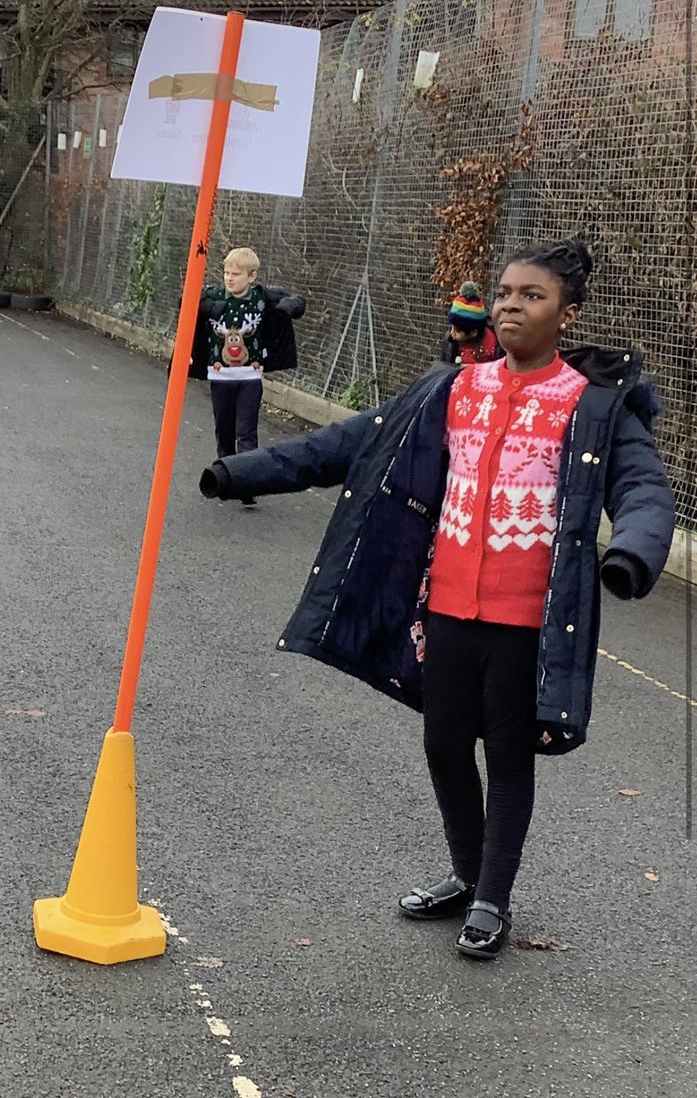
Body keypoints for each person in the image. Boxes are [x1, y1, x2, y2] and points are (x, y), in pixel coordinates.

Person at [199, 239, 674, 960]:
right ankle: (463, 872)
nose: (513, 305)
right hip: (448, 607)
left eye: (533, 296)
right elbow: (347, 442)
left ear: (566, 315)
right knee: (445, 744)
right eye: (506, 293)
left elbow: (642, 487)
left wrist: (632, 552)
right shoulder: (453, 388)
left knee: (508, 757)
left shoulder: (595, 408)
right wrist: (240, 473)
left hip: (525, 621)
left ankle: (492, 898)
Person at [186, 246, 305, 506]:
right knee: (224, 432)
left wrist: (288, 307)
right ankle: (225, 478)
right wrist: (207, 306)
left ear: (251, 277)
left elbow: (296, 300)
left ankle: (247, 481)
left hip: (250, 376)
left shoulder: (260, 299)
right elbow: (187, 299)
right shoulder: (214, 295)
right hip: (220, 377)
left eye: (236, 274)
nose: (229, 278)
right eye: (227, 273)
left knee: (246, 433)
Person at [439, 281, 501, 366]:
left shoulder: (498, 346)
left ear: (473, 332)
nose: (451, 333)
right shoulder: (451, 342)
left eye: (457, 330)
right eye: (452, 327)